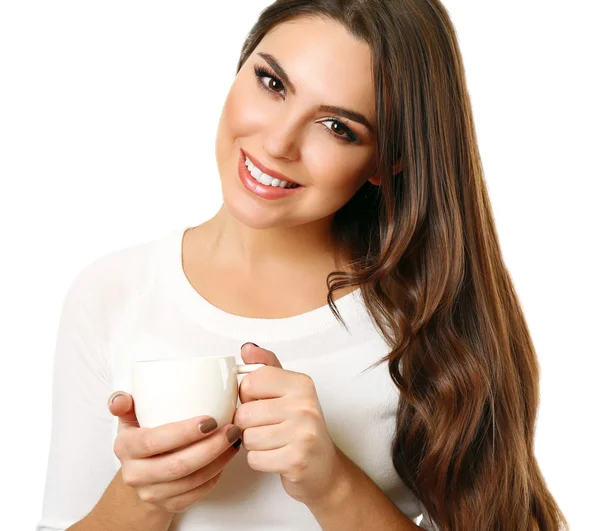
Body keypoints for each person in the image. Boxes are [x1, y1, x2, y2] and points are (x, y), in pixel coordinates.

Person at [36, 1, 570, 530]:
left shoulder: (429, 318)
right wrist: (146, 496)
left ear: (389, 160)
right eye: (272, 84)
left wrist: (334, 485)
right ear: (241, 65)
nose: (277, 143)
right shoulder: (111, 292)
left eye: (338, 126)